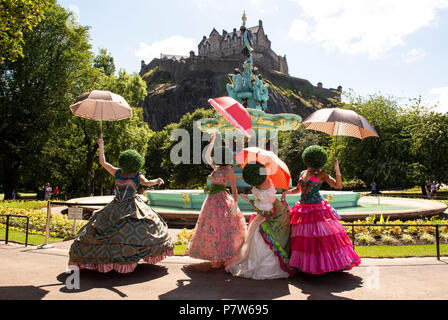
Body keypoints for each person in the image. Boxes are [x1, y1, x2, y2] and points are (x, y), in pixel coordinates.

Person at [68, 137, 175, 274]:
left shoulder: (137, 176)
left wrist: (156, 181)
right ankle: (107, 262)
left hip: (131, 206)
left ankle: (121, 261)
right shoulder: (117, 172)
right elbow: (103, 162)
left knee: (134, 228)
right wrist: (101, 145)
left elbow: (147, 182)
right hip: (116, 205)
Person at [282, 145, 361, 275]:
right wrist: (287, 193)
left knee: (319, 238)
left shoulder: (322, 174)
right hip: (303, 208)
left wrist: (337, 168)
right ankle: (305, 266)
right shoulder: (302, 172)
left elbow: (338, 185)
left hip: (317, 209)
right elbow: (298, 190)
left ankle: (321, 266)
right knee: (305, 239)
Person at [185, 132, 247, 269]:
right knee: (211, 227)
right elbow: (206, 157)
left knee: (223, 227)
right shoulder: (216, 168)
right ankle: (215, 256)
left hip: (221, 198)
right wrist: (212, 142)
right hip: (211, 199)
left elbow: (234, 189)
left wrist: (236, 203)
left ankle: (224, 255)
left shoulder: (229, 171)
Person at [226, 162, 295, 280]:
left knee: (260, 234)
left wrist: (250, 201)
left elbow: (266, 211)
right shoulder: (263, 180)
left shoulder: (265, 186)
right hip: (269, 211)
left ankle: (265, 266)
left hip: (276, 216)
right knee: (255, 232)